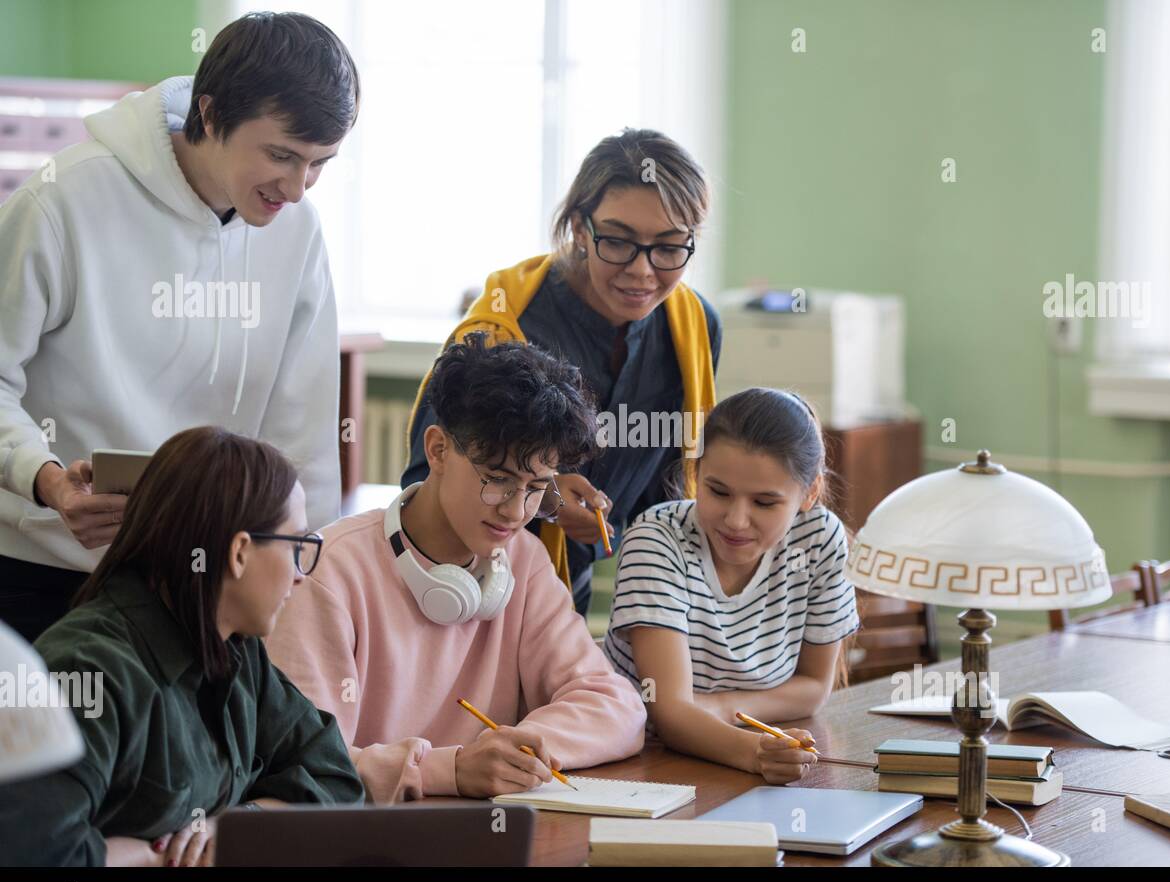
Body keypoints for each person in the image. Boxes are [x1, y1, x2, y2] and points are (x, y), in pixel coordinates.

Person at [0, 12, 359, 641]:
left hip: (203, 589)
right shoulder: (62, 203)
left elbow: (299, 433)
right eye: (281, 155)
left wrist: (304, 573)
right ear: (211, 113)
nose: (299, 188)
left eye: (319, 163)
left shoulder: (298, 233)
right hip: (47, 572)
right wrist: (48, 480)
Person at [266, 335, 646, 804]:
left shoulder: (523, 561)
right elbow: (302, 761)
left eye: (536, 488)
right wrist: (453, 769)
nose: (514, 510)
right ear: (439, 450)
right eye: (498, 480)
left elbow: (618, 707)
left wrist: (517, 751)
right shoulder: (328, 573)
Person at [0, 426, 365, 866]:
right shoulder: (87, 671)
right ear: (240, 553)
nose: (300, 574)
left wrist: (227, 826)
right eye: (296, 546)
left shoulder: (237, 648)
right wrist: (156, 856)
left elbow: (337, 781)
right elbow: (38, 856)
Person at [402, 129, 720, 615]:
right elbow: (431, 482)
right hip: (473, 590)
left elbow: (669, 487)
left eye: (670, 247)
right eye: (617, 241)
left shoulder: (693, 330)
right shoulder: (504, 329)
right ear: (578, 227)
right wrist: (546, 499)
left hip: (579, 599)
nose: (643, 271)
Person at [604, 388, 860, 784]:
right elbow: (666, 712)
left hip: (746, 753)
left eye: (764, 503)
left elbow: (813, 688)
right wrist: (757, 751)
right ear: (696, 473)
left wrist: (721, 708)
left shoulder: (821, 537)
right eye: (718, 492)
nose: (736, 521)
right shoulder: (656, 539)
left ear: (809, 493)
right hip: (646, 763)